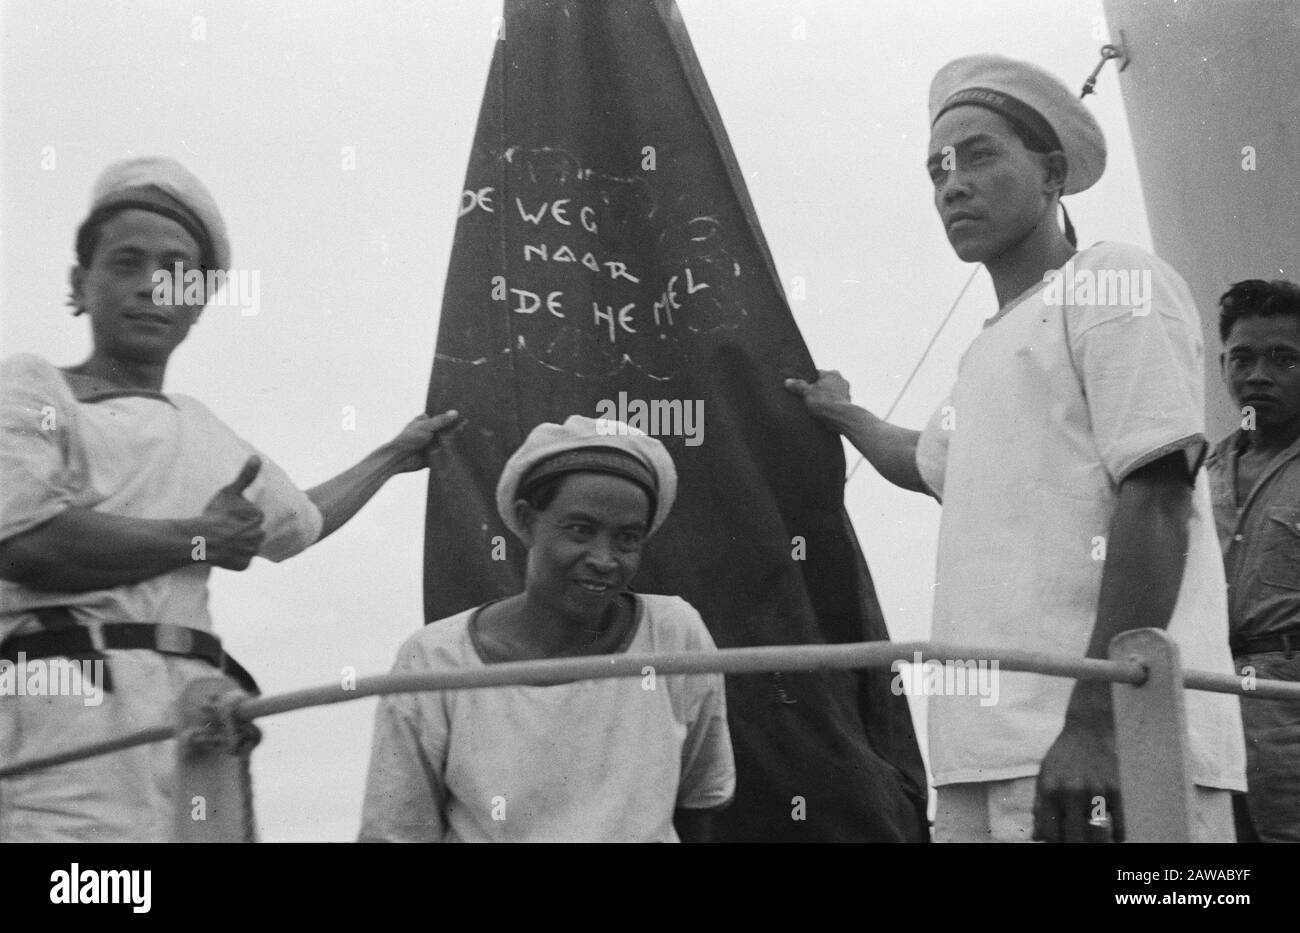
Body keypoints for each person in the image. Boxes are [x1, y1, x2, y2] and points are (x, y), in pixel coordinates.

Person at [786, 54, 1245, 842]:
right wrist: (841, 412)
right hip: (980, 757)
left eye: (980, 154)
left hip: (1113, 747)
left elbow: (1160, 495)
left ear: (1053, 173)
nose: (951, 183)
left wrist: (1099, 719)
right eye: (937, 168)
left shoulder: (1112, 282)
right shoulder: (985, 354)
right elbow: (925, 461)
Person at [0, 156, 460, 842]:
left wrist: (393, 456)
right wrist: (201, 537)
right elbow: (27, 541)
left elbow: (297, 522)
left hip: (195, 722)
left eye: (178, 271)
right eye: (127, 262)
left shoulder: (205, 429)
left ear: (198, 300)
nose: (152, 285)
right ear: (80, 284)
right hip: (64, 704)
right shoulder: (35, 390)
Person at [358, 415, 735, 842]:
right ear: (526, 520)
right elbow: (397, 832)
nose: (603, 558)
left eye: (627, 538)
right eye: (580, 530)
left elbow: (701, 798)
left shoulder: (673, 635)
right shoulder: (434, 660)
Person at [1205, 278, 1300, 843]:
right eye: (1242, 358)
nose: (1258, 375)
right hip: (1211, 715)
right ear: (1222, 365)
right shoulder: (1196, 475)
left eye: (1283, 359)